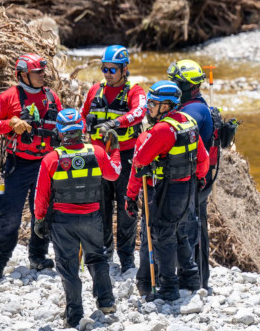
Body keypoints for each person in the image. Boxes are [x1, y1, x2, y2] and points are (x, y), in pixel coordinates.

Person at [32, 109, 121, 328]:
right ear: (82, 129)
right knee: (97, 258)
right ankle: (106, 301)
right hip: (92, 217)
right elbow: (114, 173)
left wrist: (39, 219)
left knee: (68, 265)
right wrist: (115, 150)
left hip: (64, 221)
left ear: (60, 133)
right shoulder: (98, 152)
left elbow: (41, 195)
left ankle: (74, 314)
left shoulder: (51, 158)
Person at [124, 81, 209, 301]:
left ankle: (168, 287)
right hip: (188, 189)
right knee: (181, 232)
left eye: (153, 103)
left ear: (166, 106)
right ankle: (191, 278)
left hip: (166, 191)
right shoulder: (188, 122)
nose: (148, 108)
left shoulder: (162, 130)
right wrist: (198, 180)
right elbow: (203, 159)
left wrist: (131, 197)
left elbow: (139, 163)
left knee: (162, 236)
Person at [0, 53, 63, 279]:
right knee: (10, 215)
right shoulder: (9, 97)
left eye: (43, 71)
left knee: (42, 213)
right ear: (23, 75)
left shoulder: (51, 97)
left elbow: (63, 123)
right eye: (37, 72)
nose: (42, 76)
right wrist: (10, 123)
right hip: (17, 165)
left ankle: (38, 257)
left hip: (45, 164)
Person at [166, 59, 238, 290]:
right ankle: (191, 276)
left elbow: (175, 132)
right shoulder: (191, 105)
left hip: (196, 181)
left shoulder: (194, 110)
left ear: (187, 85)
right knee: (190, 226)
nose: (172, 86)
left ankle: (196, 279)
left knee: (192, 228)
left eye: (175, 82)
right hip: (197, 178)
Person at [80, 45, 147, 271]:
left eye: (112, 69)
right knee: (101, 205)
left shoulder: (134, 91)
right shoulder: (94, 91)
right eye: (104, 69)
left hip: (127, 155)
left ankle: (126, 255)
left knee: (127, 205)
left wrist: (116, 123)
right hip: (100, 155)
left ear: (124, 69)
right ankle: (105, 251)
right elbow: (82, 116)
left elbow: (140, 112)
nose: (107, 74)